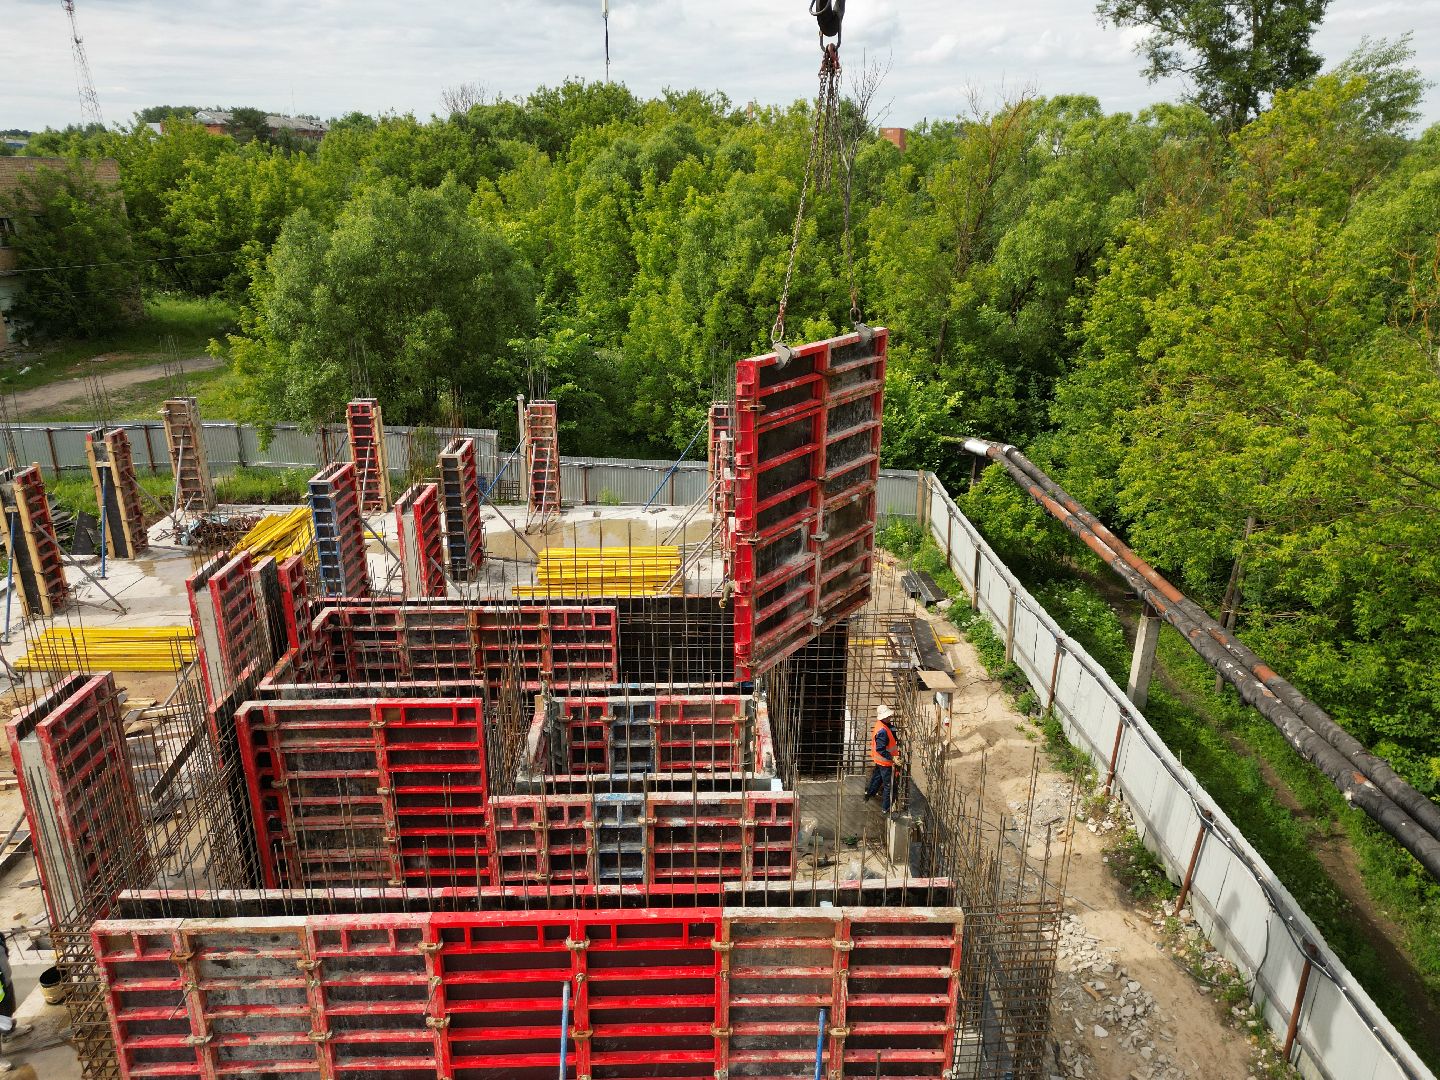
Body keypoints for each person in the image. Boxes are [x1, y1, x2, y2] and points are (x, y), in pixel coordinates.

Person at [863, 704, 900, 812]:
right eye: (888, 716)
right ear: (884, 717)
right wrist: (892, 758)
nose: (890, 718)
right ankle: (886, 807)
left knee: (877, 777)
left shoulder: (881, 724)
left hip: (879, 760)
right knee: (889, 785)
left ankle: (870, 793)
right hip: (885, 762)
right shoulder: (883, 731)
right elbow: (881, 749)